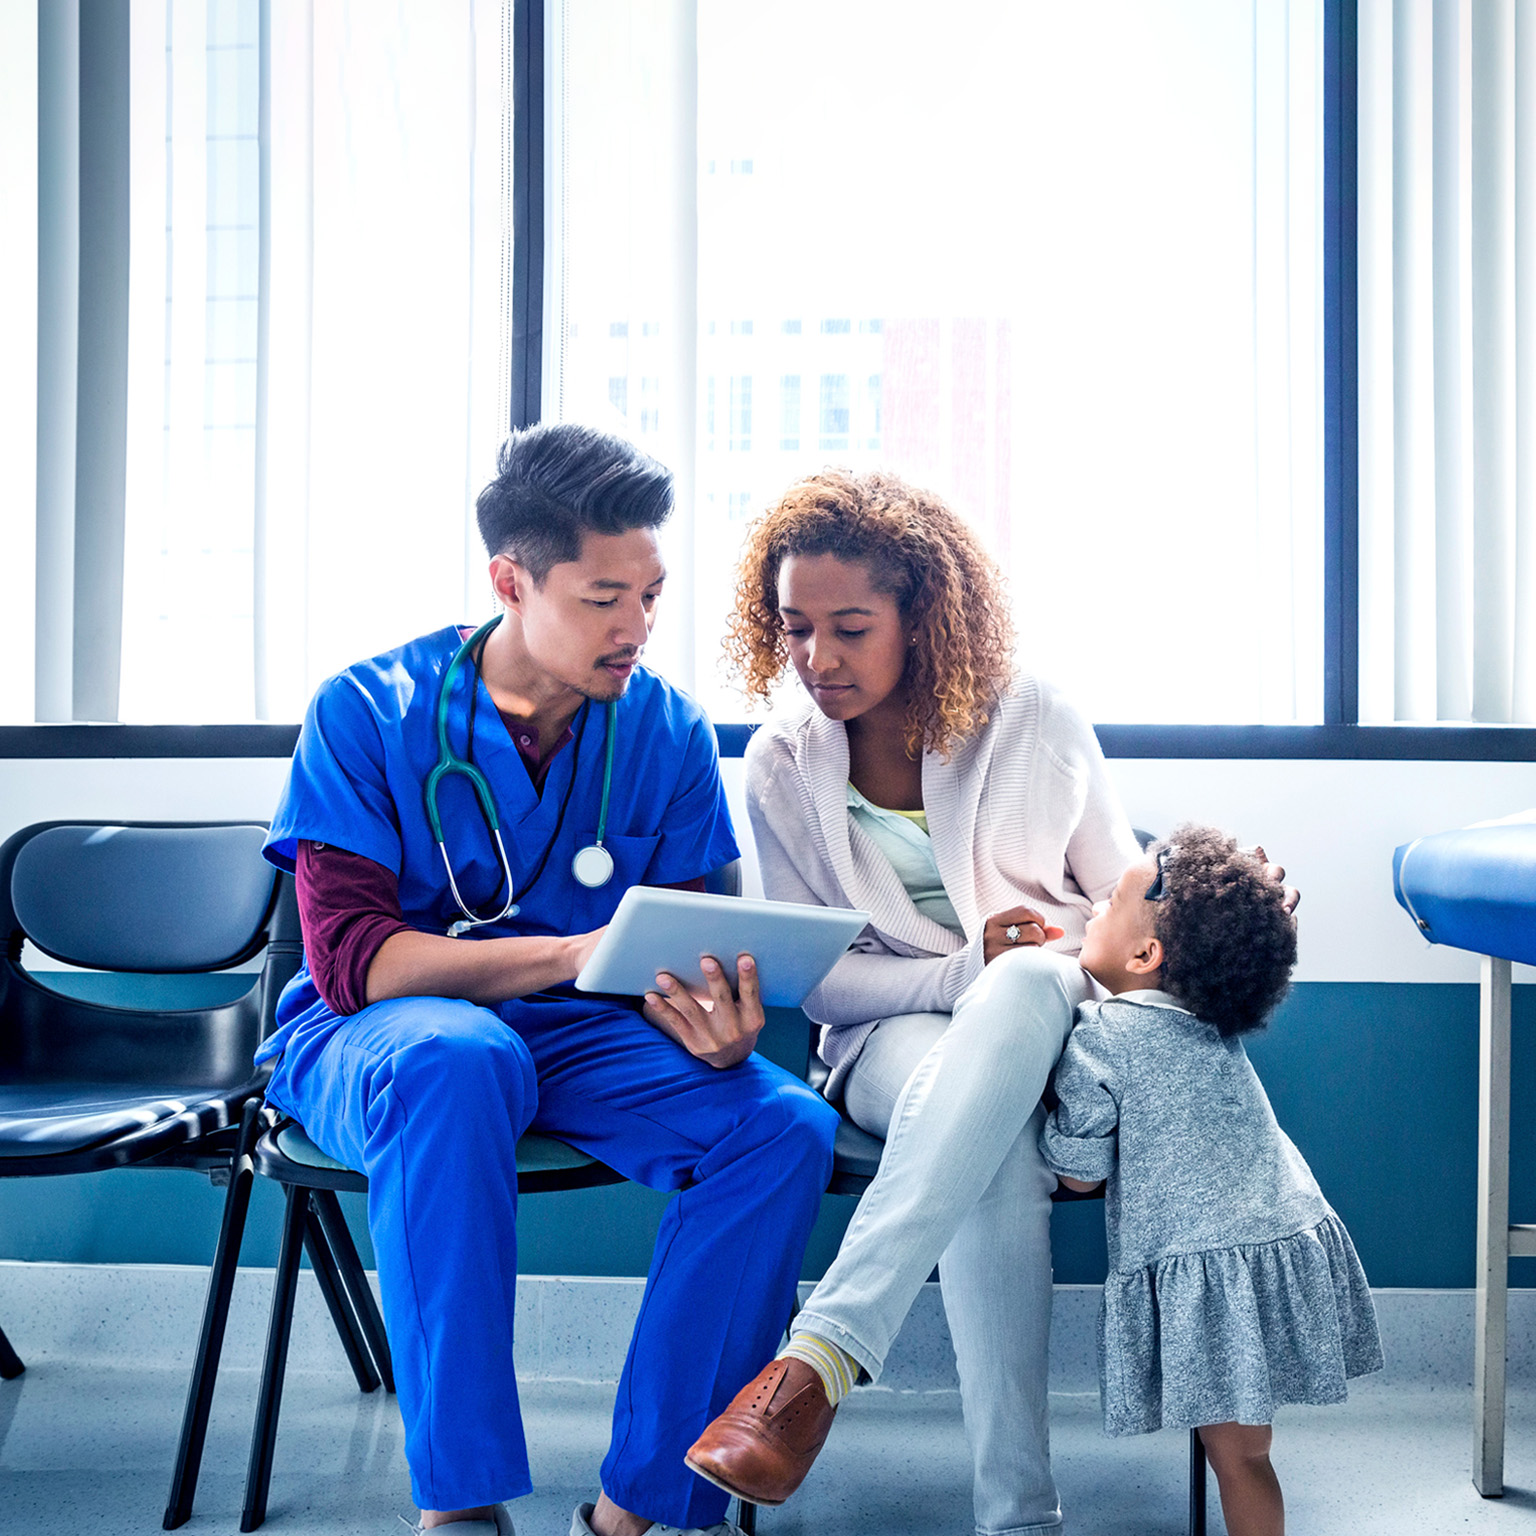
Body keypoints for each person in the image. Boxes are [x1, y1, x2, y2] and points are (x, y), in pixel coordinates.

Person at [257, 423, 838, 1536]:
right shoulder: (367, 712)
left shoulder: (660, 727)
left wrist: (714, 1025)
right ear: (511, 581)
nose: (638, 628)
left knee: (782, 1128)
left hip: (579, 1037)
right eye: (604, 598)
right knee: (456, 1056)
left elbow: (691, 941)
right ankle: (462, 1505)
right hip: (374, 1036)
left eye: (654, 596)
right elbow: (356, 963)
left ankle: (643, 1509)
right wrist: (572, 956)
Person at [685, 468, 1146, 1536]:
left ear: (922, 616)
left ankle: (815, 1362)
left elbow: (1125, 918)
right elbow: (821, 974)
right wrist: (959, 972)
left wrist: (1019, 964)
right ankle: (1018, 1517)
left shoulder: (1034, 718)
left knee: (1026, 983)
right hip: (885, 1039)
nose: (817, 659)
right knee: (982, 1143)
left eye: (850, 627)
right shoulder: (781, 763)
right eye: (795, 628)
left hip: (1052, 1030)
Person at [1039, 826, 1382, 1536]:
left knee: (1237, 1459)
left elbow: (1075, 1176)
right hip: (1280, 1236)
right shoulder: (1209, 1018)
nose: (1092, 910)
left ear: (1145, 954)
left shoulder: (1103, 1037)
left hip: (1215, 1267)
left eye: (1108, 904)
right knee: (1248, 1455)